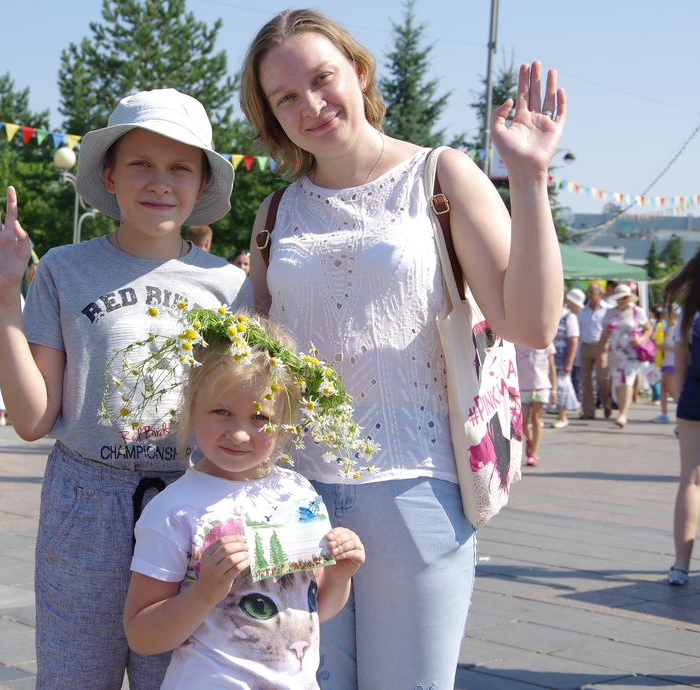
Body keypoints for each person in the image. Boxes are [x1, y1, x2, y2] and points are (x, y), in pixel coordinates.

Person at [239, 9, 566, 687]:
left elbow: (531, 324)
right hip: (289, 496)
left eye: (322, 79)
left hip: (415, 489)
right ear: (271, 116)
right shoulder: (274, 213)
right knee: (292, 681)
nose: (311, 105)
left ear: (358, 72)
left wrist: (529, 177)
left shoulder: (439, 175)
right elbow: (257, 360)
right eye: (286, 97)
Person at [0, 88, 254, 688]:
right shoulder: (63, 270)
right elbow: (32, 419)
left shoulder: (230, 286)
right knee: (74, 676)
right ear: (110, 175)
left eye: (180, 168)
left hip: (190, 503)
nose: (160, 182)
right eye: (141, 163)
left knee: (175, 678)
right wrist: (3, 298)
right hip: (85, 502)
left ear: (202, 184)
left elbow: (242, 415)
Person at [124, 311, 365, 688]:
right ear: (192, 406)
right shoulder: (173, 511)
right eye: (222, 412)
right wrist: (204, 594)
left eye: (259, 418)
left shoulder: (298, 495)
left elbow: (317, 609)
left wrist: (339, 575)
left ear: (285, 419)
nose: (239, 434)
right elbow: (141, 636)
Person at [662, 249, 700, 586]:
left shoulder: (690, 315)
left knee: (690, 480)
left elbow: (677, 376)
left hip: (693, 403)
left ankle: (680, 565)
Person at [599, 283, 653, 428]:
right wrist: (600, 353)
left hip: (631, 353)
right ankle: (621, 409)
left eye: (624, 297)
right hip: (615, 353)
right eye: (619, 297)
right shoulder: (610, 312)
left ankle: (623, 414)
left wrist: (640, 339)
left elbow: (648, 329)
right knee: (617, 381)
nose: (621, 300)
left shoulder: (637, 312)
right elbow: (604, 335)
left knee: (627, 380)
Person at [516, 342, 556, 466]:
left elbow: (552, 367)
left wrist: (554, 390)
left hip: (541, 384)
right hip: (522, 386)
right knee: (522, 421)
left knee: (536, 418)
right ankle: (531, 440)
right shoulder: (516, 342)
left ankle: (534, 453)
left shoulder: (545, 342)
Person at [578, 282, 611, 420]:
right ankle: (588, 410)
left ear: (600, 294)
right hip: (586, 345)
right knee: (586, 380)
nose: (590, 295)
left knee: (602, 378)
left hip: (601, 346)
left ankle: (607, 404)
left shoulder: (607, 309)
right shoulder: (583, 311)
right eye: (589, 292)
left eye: (593, 292)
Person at [553, 288, 583, 428]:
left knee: (562, 386)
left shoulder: (569, 316)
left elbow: (574, 340)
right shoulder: (551, 313)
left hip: (562, 355)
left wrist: (570, 362)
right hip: (548, 356)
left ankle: (562, 416)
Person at [653, 306, 679, 424]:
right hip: (666, 361)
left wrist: (664, 347)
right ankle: (664, 414)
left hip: (673, 362)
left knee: (670, 388)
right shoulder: (667, 327)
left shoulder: (677, 328)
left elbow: (679, 347)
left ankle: (685, 409)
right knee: (664, 387)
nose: (663, 315)